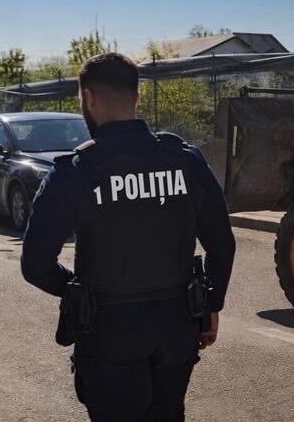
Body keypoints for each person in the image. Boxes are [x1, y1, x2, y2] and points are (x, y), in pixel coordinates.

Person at [20, 52, 236, 421]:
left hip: (109, 333)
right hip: (177, 329)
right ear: (136, 98)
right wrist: (210, 304)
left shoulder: (76, 171)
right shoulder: (185, 160)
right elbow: (222, 244)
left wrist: (77, 290)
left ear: (88, 98)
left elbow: (36, 264)